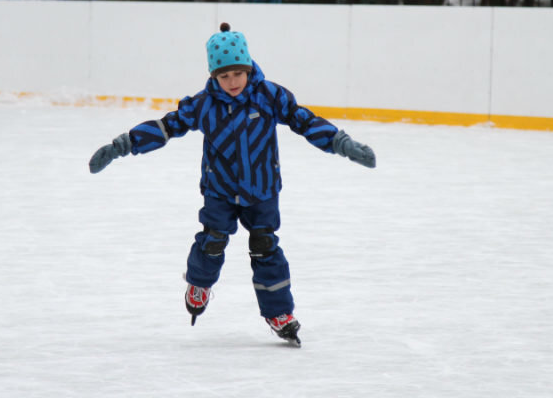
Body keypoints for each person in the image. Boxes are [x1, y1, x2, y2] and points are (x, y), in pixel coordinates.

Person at [88, 22, 375, 346]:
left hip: (262, 190)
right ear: (213, 76)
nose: (232, 82)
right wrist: (122, 145)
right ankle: (199, 283)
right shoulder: (203, 105)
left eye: (238, 73)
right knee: (212, 242)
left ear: (248, 68)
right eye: (224, 77)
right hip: (220, 191)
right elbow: (166, 127)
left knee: (266, 246)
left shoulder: (269, 96)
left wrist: (341, 142)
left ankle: (279, 313)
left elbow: (303, 120)